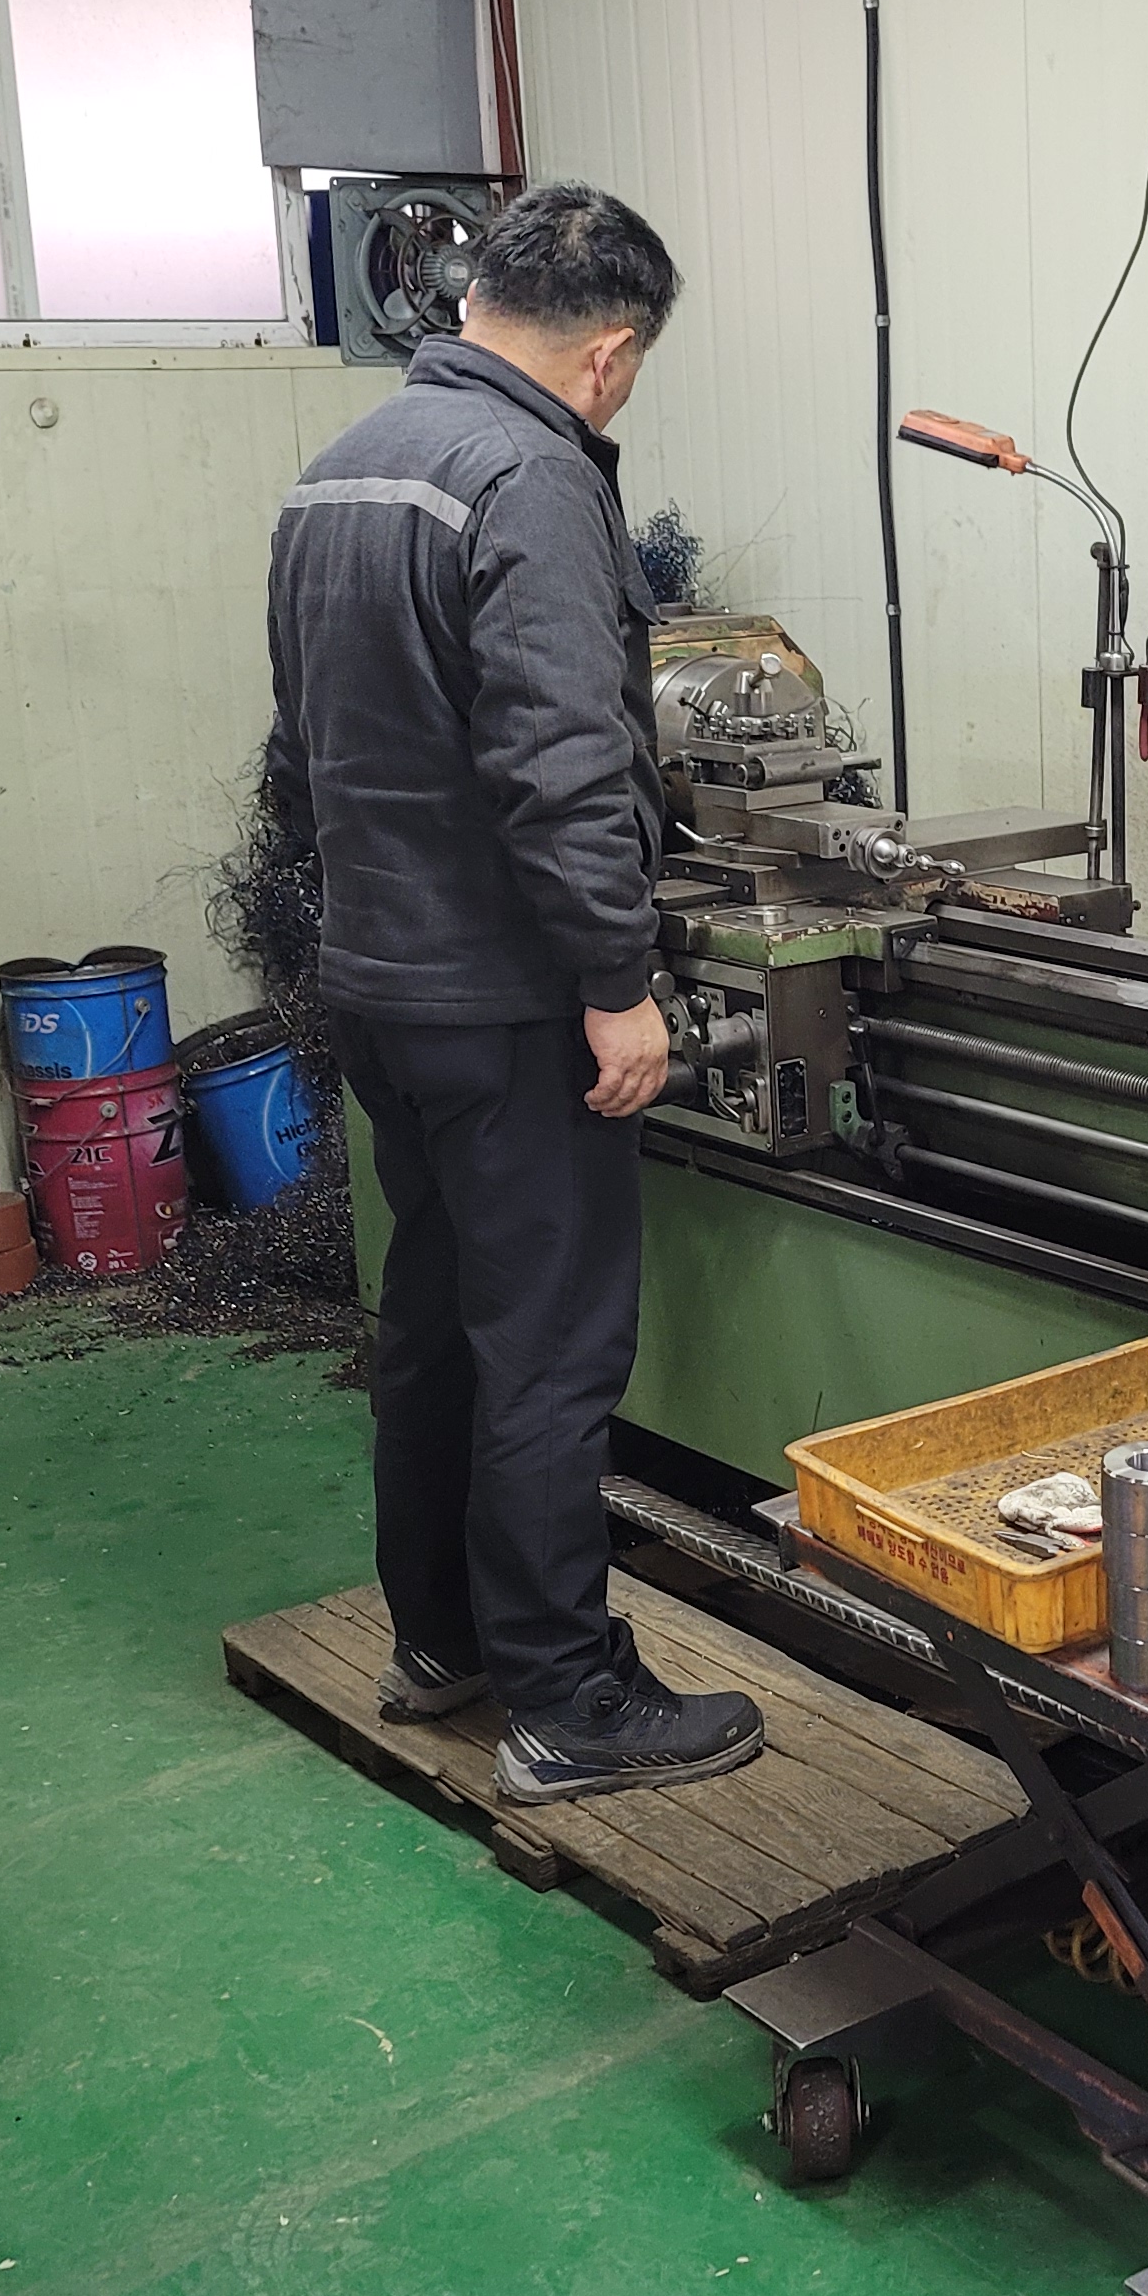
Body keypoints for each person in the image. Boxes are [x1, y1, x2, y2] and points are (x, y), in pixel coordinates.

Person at [264, 182, 763, 1803]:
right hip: (508, 1005)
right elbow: (561, 761)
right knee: (549, 1353)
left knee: (437, 1326)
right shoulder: (531, 476)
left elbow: (304, 751)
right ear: (609, 354)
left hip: (382, 986)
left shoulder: (346, 468)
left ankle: (445, 1642)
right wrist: (617, 982)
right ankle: (567, 1703)